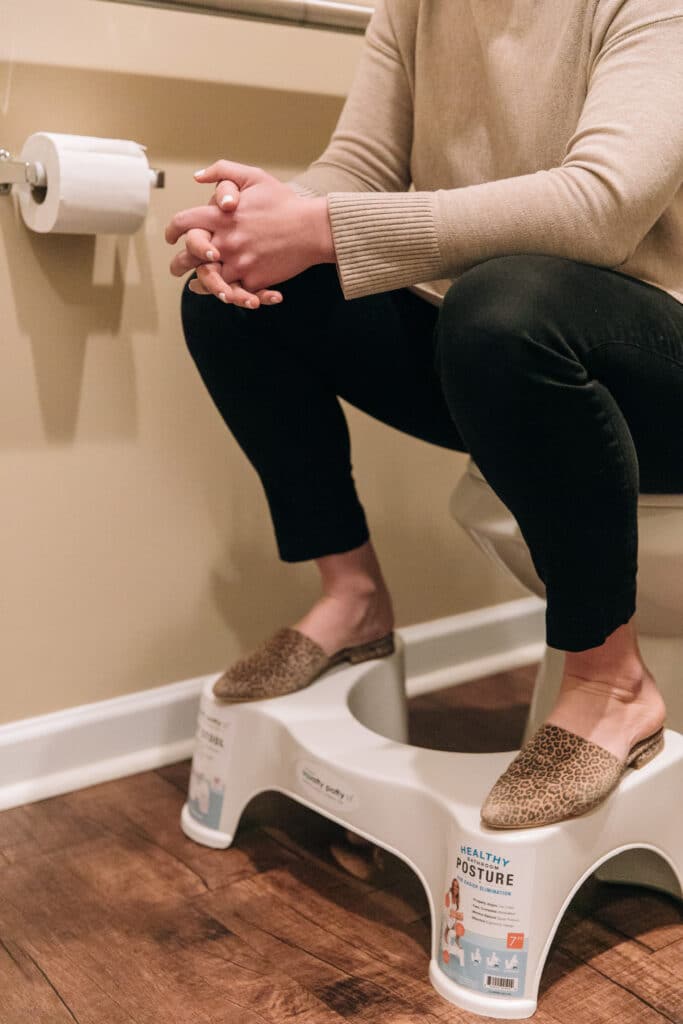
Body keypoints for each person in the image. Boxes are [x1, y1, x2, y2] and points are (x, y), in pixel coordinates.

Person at [165, 0, 683, 829]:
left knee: (502, 302)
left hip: (651, 358)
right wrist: (255, 225)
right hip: (503, 354)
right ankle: (353, 596)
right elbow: (358, 168)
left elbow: (600, 206)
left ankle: (608, 680)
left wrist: (323, 226)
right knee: (236, 299)